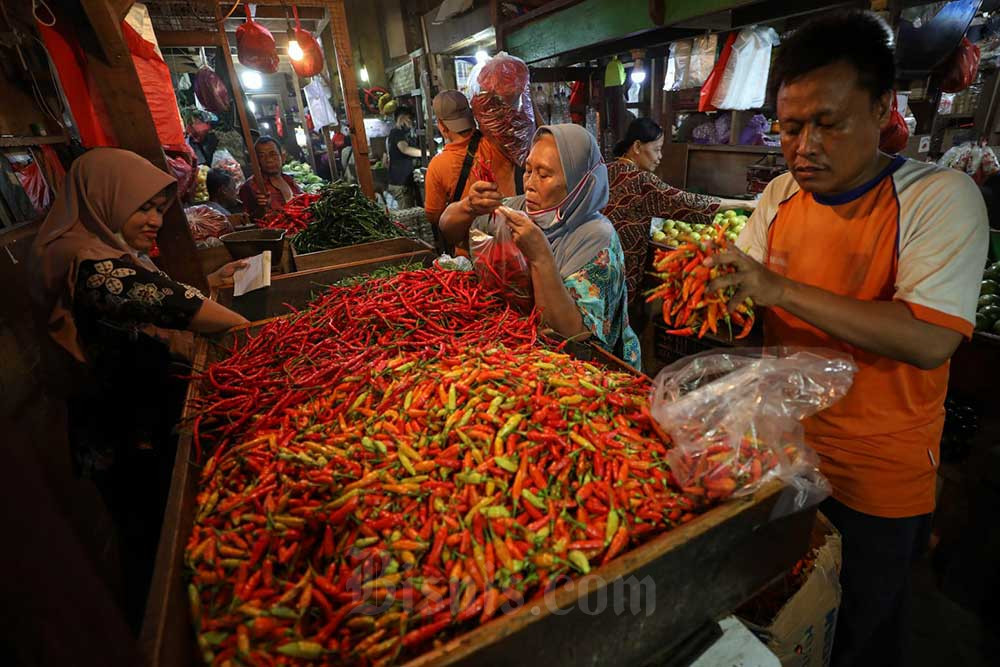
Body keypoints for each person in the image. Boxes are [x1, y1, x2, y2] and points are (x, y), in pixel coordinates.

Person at [705, 12, 988, 667]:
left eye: (827, 123)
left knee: (861, 635)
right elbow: (745, 311)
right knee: (792, 624)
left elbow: (928, 339)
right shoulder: (778, 196)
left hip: (876, 484)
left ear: (882, 106)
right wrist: (718, 304)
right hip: (781, 459)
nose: (805, 145)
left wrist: (779, 291)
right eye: (791, 125)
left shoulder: (939, 198)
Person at [28, 148, 249, 629]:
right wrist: (256, 331)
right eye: (143, 207)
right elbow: (167, 303)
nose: (154, 220)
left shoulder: (99, 250)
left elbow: (145, 298)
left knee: (161, 528)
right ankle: (160, 634)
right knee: (153, 538)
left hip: (134, 413)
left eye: (160, 209)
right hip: (123, 428)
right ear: (105, 199)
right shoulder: (86, 262)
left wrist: (210, 281)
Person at [440, 124, 639, 367]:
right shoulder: (519, 209)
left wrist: (540, 256)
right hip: (520, 352)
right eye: (528, 170)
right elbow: (448, 229)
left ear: (579, 183)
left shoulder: (597, 236)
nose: (530, 184)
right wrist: (468, 206)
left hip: (580, 370)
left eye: (543, 175)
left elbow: (573, 335)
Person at [605, 117, 754, 310]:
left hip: (597, 262)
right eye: (657, 149)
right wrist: (746, 203)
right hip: (621, 267)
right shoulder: (642, 180)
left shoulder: (607, 169)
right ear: (637, 146)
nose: (660, 157)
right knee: (618, 321)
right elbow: (688, 202)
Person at [424, 90, 516, 251]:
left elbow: (434, 216)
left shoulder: (437, 166)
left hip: (472, 252)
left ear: (441, 126)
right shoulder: (498, 144)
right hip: (513, 241)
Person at [238, 136, 302, 222]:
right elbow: (248, 220)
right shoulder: (251, 186)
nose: (268, 160)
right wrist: (261, 208)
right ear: (256, 161)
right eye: (262, 156)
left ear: (283, 157)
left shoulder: (289, 180)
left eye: (273, 154)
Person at [387, 106, 423, 208]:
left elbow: (386, 159)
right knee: (408, 216)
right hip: (400, 183)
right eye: (409, 119)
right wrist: (426, 153)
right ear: (401, 118)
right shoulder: (396, 132)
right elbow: (405, 149)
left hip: (402, 182)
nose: (411, 123)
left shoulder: (398, 134)